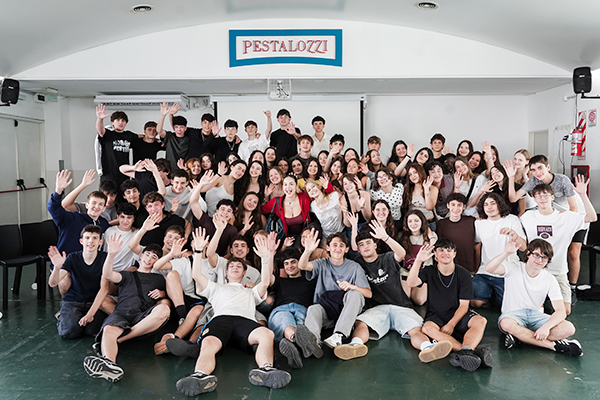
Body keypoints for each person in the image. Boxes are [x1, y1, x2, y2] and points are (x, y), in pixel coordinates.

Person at [175, 229, 291, 396]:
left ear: (244, 272)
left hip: (245, 321)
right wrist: (199, 251)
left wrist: (266, 258)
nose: (235, 267)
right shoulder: (215, 288)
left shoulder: (251, 291)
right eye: (231, 266)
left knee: (267, 334)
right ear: (226, 272)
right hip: (221, 320)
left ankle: (266, 370)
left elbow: (265, 282)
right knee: (208, 343)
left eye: (239, 266)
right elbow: (196, 275)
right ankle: (200, 376)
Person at [334, 224, 453, 363]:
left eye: (368, 242)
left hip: (401, 306)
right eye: (361, 244)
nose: (365, 246)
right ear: (358, 249)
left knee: (415, 330)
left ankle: (428, 348)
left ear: (375, 245)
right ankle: (355, 346)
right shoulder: (357, 264)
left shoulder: (387, 258)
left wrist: (385, 237)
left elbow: (401, 253)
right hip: (377, 308)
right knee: (360, 323)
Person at [83, 236, 170, 382]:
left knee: (164, 310)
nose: (149, 258)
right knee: (109, 329)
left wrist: (162, 293)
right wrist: (111, 254)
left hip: (142, 317)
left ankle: (121, 339)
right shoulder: (127, 274)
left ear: (157, 262)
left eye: (154, 257)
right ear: (141, 256)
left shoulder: (159, 279)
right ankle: (110, 365)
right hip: (121, 313)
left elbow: (167, 299)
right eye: (147, 254)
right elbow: (108, 274)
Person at [507, 155, 588, 298]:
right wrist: (511, 177)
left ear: (548, 167)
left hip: (575, 214)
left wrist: (564, 220)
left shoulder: (562, 180)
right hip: (554, 215)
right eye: (533, 170)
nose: (537, 172)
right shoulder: (534, 181)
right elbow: (513, 198)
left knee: (573, 252)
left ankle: (572, 287)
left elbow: (574, 208)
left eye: (540, 168)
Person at [486, 237, 583, 357]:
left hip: (536, 316)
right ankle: (553, 346)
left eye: (544, 257)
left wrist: (546, 327)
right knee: (506, 324)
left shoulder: (549, 279)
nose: (539, 260)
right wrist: (506, 253)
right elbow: (489, 268)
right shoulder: (514, 267)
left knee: (568, 328)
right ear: (528, 254)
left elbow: (561, 311)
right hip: (513, 315)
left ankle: (521, 337)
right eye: (536, 255)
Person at [406, 239, 490, 372]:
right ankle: (468, 352)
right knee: (427, 328)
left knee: (481, 320)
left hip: (458, 314)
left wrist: (451, 324)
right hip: (436, 315)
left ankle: (464, 353)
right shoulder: (429, 271)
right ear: (435, 254)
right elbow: (411, 283)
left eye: (449, 250)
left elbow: (464, 305)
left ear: (454, 254)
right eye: (441, 250)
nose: (445, 253)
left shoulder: (463, 274)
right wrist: (418, 261)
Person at [519, 179, 597, 315]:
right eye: (538, 195)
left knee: (565, 311)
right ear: (534, 199)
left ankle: (554, 295)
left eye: (545, 195)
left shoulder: (566, 217)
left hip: (558, 271)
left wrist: (583, 195)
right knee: (536, 311)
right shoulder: (527, 217)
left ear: (552, 197)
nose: (542, 198)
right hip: (536, 271)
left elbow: (592, 218)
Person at [299, 230, 372, 351]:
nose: (338, 248)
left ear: (346, 249)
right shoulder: (322, 263)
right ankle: (313, 344)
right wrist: (307, 250)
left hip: (347, 314)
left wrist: (352, 286)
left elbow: (368, 293)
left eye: (341, 245)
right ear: (328, 247)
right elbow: (302, 266)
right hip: (327, 312)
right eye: (334, 245)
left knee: (355, 294)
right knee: (313, 309)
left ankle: (338, 336)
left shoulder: (354, 267)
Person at [47, 225, 108, 338]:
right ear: (81, 241)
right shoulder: (72, 257)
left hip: (94, 302)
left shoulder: (105, 258)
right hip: (73, 300)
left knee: (92, 330)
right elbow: (53, 283)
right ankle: (64, 316)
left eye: (95, 238)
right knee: (70, 332)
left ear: (100, 242)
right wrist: (57, 268)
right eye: (87, 238)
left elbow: (105, 289)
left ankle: (77, 318)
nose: (91, 241)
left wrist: (90, 314)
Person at [471, 193, 527, 309]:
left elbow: (523, 247)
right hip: (485, 271)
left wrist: (514, 235)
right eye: (486, 204)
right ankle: (490, 294)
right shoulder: (479, 223)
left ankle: (495, 295)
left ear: (499, 204)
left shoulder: (512, 219)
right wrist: (476, 267)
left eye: (493, 203)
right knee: (475, 303)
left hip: (506, 271)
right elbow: (477, 244)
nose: (489, 207)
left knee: (506, 305)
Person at [268, 249, 319, 368]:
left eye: (293, 262)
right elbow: (268, 277)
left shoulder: (311, 281)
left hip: (302, 309)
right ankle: (298, 342)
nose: (289, 266)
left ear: (300, 262)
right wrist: (269, 255)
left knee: (301, 323)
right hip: (281, 310)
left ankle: (294, 346)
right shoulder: (280, 281)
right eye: (286, 263)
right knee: (285, 319)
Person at [48, 169, 110, 260]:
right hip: (65, 262)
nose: (96, 206)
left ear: (104, 208)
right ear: (87, 205)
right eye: (94, 203)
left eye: (100, 204)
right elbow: (53, 208)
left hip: (88, 265)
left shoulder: (103, 223)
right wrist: (58, 190)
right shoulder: (73, 218)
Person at [398, 210, 437, 305]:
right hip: (406, 272)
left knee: (419, 300)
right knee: (404, 298)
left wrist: (429, 234)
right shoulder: (401, 236)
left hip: (422, 273)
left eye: (416, 220)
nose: (413, 224)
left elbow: (433, 241)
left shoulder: (430, 237)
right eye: (410, 221)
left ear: (422, 221)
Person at [95, 105, 138, 185]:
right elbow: (100, 130)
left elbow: (141, 137)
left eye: (123, 120)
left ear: (126, 123)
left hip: (124, 175)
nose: (120, 122)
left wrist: (155, 139)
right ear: (112, 122)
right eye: (117, 120)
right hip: (108, 175)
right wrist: (100, 119)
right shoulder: (108, 134)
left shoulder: (129, 135)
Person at [261, 175, 311, 242]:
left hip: (305, 239)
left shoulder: (304, 197)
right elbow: (260, 209)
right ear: (283, 187)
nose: (288, 187)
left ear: (296, 186)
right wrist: (266, 196)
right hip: (284, 240)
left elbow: (319, 198)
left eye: (291, 184)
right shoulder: (276, 201)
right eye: (285, 184)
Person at [435, 193, 477, 274]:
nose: (456, 208)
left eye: (459, 205)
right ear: (448, 205)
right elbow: (440, 247)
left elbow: (477, 245)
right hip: (450, 267)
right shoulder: (441, 224)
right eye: (453, 205)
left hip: (469, 266)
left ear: (464, 207)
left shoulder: (471, 221)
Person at [102, 203, 137, 272]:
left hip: (126, 272)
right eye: (122, 217)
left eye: (129, 217)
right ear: (117, 217)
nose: (125, 221)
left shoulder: (136, 233)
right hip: (107, 269)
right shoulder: (109, 231)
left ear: (133, 219)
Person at [403, 164, 437, 230]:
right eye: (410, 174)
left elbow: (429, 207)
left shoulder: (433, 188)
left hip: (428, 222)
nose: (413, 176)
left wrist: (426, 189)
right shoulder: (407, 188)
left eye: (415, 172)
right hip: (413, 223)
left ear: (421, 172)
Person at [156, 102, 190, 168]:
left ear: (185, 128)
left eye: (181, 127)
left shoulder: (189, 139)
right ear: (174, 128)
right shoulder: (169, 137)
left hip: (184, 170)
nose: (179, 129)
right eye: (176, 127)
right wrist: (162, 115)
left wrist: (171, 114)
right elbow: (159, 130)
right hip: (170, 170)